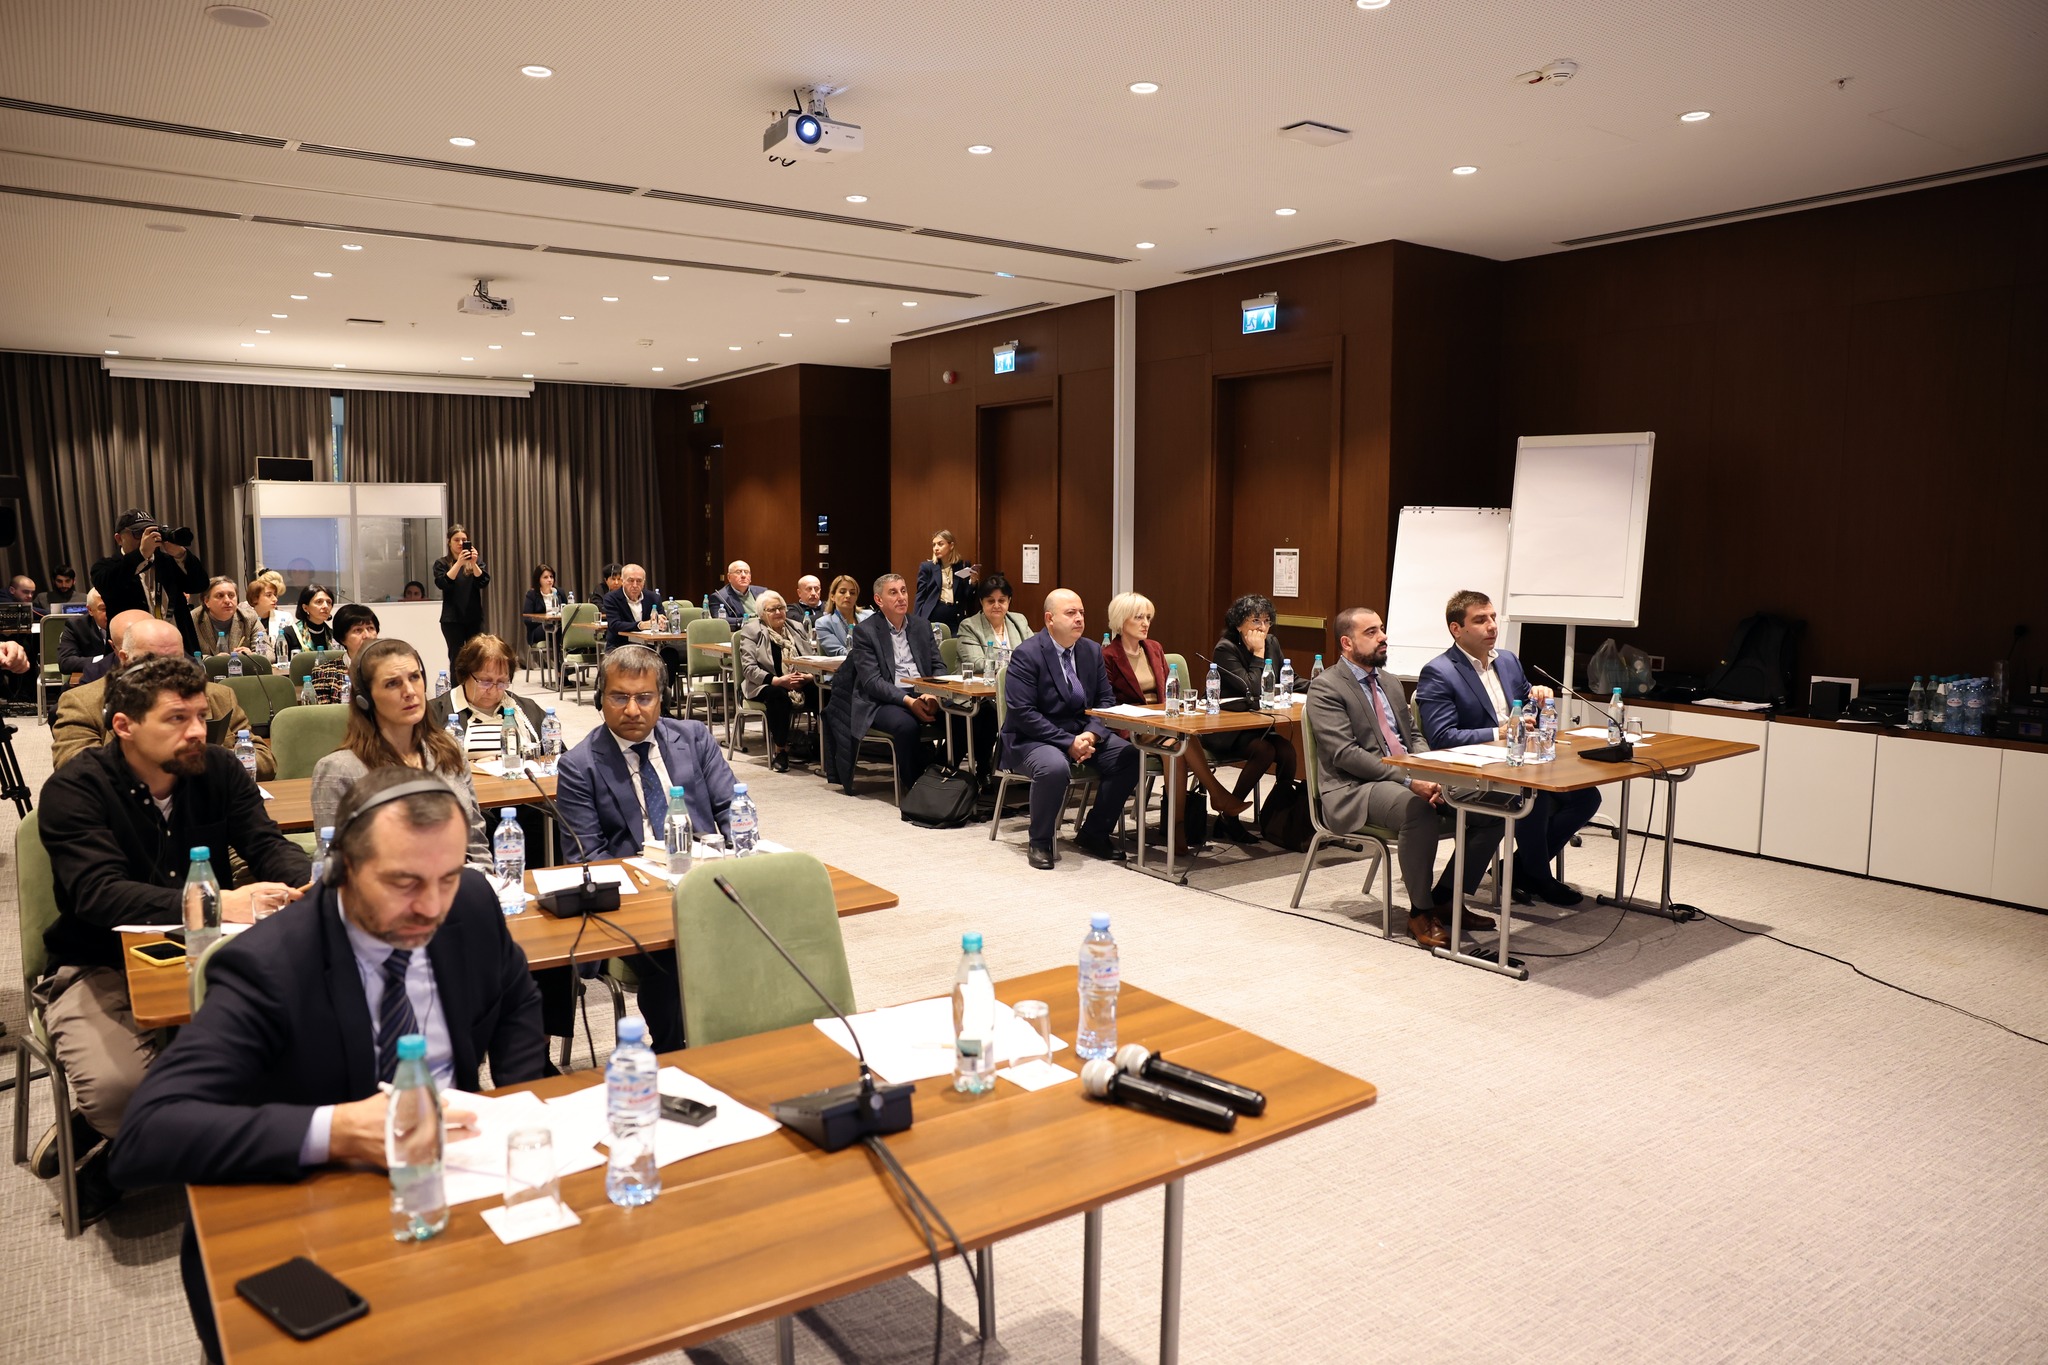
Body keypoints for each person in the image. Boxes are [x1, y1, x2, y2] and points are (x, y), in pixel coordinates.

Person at [110, 766, 547, 1363]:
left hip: (459, 1185)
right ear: (342, 868)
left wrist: (520, 1106)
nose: (431, 907)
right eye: (403, 883)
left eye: (445, 878)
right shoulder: (271, 965)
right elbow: (147, 1133)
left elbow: (515, 994)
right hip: (317, 1212)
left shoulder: (469, 903)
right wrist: (338, 1130)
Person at [33, 655, 309, 1223]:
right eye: (177, 719)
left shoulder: (218, 769)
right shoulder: (75, 789)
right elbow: (100, 895)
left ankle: (119, 1158)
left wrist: (308, 882)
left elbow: (265, 843)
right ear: (124, 726)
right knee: (120, 1093)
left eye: (202, 716)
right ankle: (126, 1127)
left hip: (214, 952)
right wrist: (213, 902)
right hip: (99, 959)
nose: (197, 731)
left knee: (313, 1050)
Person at [555, 645, 733, 1051]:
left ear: (661, 698)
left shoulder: (694, 738)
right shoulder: (579, 766)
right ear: (600, 698)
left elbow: (731, 809)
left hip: (708, 882)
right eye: (619, 697)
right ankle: (674, 1052)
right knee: (674, 953)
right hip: (636, 903)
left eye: (644, 697)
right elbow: (587, 859)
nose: (633, 710)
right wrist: (653, 887)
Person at [1306, 608, 1505, 947]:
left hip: (1409, 777)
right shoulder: (1326, 688)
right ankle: (1420, 912)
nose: (1383, 637)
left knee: (1495, 805)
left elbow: (1413, 735)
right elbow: (1346, 754)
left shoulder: (1390, 682)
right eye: (1371, 632)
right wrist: (1409, 780)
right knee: (1417, 809)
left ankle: (1446, 897)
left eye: (1381, 629)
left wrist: (1430, 771)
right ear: (1347, 643)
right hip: (1356, 787)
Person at [1415, 590, 1597, 907]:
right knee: (1533, 795)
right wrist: (1498, 733)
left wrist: (1539, 699)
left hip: (1518, 764)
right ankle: (1539, 877)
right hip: (1471, 774)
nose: (1491, 626)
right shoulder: (1439, 672)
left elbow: (1527, 709)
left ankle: (1521, 869)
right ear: (1457, 629)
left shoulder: (1508, 661)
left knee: (1586, 797)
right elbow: (1442, 737)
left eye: (1492, 617)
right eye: (1480, 620)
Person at [310, 639, 490, 864]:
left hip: (462, 880)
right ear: (365, 698)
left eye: (414, 677)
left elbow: (476, 842)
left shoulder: (448, 749)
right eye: (392, 684)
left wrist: (484, 880)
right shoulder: (339, 771)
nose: (410, 691)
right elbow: (335, 866)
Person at [997, 589, 1138, 869]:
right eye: (1071, 613)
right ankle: (1040, 841)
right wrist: (1068, 742)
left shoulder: (1091, 650)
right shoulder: (1027, 654)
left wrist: (1091, 734)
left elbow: (1105, 701)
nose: (1079, 618)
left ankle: (1094, 833)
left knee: (1130, 756)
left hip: (1081, 733)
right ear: (1049, 619)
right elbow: (1023, 713)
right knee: (1053, 767)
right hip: (1032, 738)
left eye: (1081, 612)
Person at [1101, 591, 1246, 851]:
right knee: (1179, 743)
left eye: (1148, 617)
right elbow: (1107, 702)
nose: (1146, 623)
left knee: (1177, 747)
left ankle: (1176, 829)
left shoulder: (1154, 649)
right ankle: (1214, 798)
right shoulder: (1108, 656)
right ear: (1121, 621)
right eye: (1139, 617)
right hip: (1130, 725)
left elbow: (1171, 690)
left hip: (1163, 721)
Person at [53, 613, 275, 776]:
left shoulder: (219, 696)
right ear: (124, 659)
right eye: (153, 662)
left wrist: (202, 763)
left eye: (175, 660)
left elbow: (264, 762)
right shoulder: (83, 702)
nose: (167, 671)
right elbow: (75, 770)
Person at [823, 573, 942, 794]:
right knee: (906, 726)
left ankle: (943, 774)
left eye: (903, 591)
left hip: (924, 693)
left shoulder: (921, 626)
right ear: (879, 600)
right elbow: (872, 682)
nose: (901, 597)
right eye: (893, 592)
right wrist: (908, 701)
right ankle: (915, 787)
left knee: (969, 719)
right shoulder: (865, 631)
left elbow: (938, 666)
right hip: (883, 700)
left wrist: (934, 694)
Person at [1207, 593, 1298, 841]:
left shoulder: (1272, 643)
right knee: (1265, 751)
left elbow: (1289, 679)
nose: (1263, 628)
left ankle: (1279, 816)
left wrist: (1321, 687)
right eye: (1256, 621)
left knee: (1287, 751)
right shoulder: (1225, 649)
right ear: (1239, 624)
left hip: (1257, 726)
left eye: (1267, 621)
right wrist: (1258, 653)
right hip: (1227, 731)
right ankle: (1228, 817)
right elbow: (1253, 687)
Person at [90, 509, 207, 656]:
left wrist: (180, 554)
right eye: (139, 533)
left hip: (177, 648)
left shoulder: (168, 562)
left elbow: (199, 584)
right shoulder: (106, 567)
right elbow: (109, 585)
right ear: (119, 538)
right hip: (134, 653)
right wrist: (141, 555)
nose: (147, 538)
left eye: (152, 532)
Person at [738, 591, 819, 771]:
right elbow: (749, 669)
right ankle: (780, 750)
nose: (778, 612)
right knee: (778, 696)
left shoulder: (796, 627)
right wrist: (779, 680)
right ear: (762, 614)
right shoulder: (752, 630)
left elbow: (811, 658)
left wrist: (808, 677)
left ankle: (824, 744)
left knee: (824, 690)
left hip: (799, 680)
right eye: (772, 609)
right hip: (765, 684)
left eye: (781, 608)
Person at [428, 633, 546, 756]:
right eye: (485, 682)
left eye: (501, 682)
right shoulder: (434, 714)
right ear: (465, 675)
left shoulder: (526, 710)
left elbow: (554, 753)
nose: (493, 691)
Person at [953, 573, 1035, 673]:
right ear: (981, 602)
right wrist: (1013, 665)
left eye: (1001, 600)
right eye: (991, 601)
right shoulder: (969, 626)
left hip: (1018, 679)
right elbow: (976, 664)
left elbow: (1035, 654)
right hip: (981, 681)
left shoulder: (1019, 620)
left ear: (1009, 601)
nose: (996, 606)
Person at [431, 524, 489, 659]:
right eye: (456, 540)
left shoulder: (476, 562)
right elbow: (443, 583)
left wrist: (473, 563)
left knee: (475, 657)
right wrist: (458, 563)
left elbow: (483, 582)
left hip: (474, 617)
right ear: (449, 542)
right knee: (456, 657)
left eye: (464, 540)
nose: (461, 543)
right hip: (452, 619)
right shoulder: (441, 563)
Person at [306, 603, 379, 703]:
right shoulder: (324, 673)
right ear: (342, 638)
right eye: (358, 630)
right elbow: (323, 711)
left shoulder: (388, 668)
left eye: (370, 628)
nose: (366, 635)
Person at [914, 530, 978, 632]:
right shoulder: (927, 567)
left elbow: (967, 596)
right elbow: (920, 596)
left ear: (951, 546)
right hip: (934, 616)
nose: (936, 548)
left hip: (955, 617)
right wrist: (916, 621)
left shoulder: (962, 566)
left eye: (940, 544)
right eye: (934, 545)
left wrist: (973, 583)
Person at [601, 562, 665, 650]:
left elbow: (663, 621)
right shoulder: (611, 598)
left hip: (649, 647)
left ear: (644, 582)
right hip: (621, 647)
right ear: (622, 581)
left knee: (672, 653)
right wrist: (641, 625)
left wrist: (661, 622)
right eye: (631, 581)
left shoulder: (654, 598)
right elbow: (614, 625)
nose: (635, 585)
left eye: (639, 581)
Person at [189, 577, 260, 656]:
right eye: (220, 596)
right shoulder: (191, 620)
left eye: (231, 595)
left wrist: (251, 655)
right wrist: (213, 661)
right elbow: (185, 656)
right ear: (206, 601)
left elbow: (267, 653)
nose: (227, 600)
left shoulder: (250, 618)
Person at [58, 589, 111, 678]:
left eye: (113, 607)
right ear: (90, 610)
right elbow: (65, 662)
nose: (110, 613)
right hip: (89, 680)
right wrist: (104, 660)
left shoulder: (127, 623)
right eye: (104, 609)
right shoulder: (76, 626)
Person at [815, 573, 870, 657]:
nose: (848, 596)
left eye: (852, 593)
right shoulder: (824, 623)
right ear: (832, 596)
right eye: (842, 592)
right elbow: (839, 652)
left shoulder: (869, 617)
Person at [237, 571, 287, 659]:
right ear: (255, 598)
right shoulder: (243, 618)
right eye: (269, 595)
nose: (275, 599)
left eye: (275, 595)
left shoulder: (285, 617)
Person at [277, 583, 338, 654]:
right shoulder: (289, 634)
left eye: (329, 602)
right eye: (319, 602)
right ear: (305, 608)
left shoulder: (334, 636)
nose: (326, 606)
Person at [522, 563, 559, 646]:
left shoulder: (559, 592)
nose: (549, 580)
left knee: (563, 629)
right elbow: (527, 619)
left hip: (558, 626)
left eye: (551, 577)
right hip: (539, 629)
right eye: (545, 577)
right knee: (553, 629)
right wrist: (545, 620)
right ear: (538, 579)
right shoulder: (532, 595)